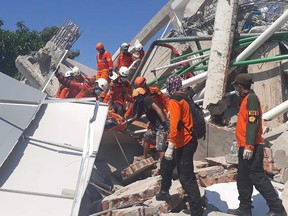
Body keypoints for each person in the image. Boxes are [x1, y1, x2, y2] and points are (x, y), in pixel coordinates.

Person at [227, 73, 286, 216]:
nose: (236, 89)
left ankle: (277, 209)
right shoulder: (245, 99)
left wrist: (249, 146)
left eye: (236, 86)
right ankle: (245, 208)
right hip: (244, 146)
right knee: (243, 179)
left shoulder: (251, 99)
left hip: (252, 147)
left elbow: (253, 124)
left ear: (240, 86)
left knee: (258, 178)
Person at [159, 74, 203, 216]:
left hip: (184, 142)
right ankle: (165, 191)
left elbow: (176, 123)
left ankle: (197, 210)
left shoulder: (174, 100)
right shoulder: (185, 97)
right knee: (172, 168)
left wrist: (170, 144)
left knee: (186, 177)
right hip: (187, 141)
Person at [130, 87, 169, 160]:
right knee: (146, 137)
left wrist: (164, 124)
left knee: (160, 146)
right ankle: (144, 157)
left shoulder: (148, 100)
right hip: (156, 127)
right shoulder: (141, 104)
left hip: (161, 125)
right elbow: (138, 115)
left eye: (136, 97)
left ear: (140, 95)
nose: (136, 99)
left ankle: (163, 165)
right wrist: (129, 121)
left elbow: (158, 110)